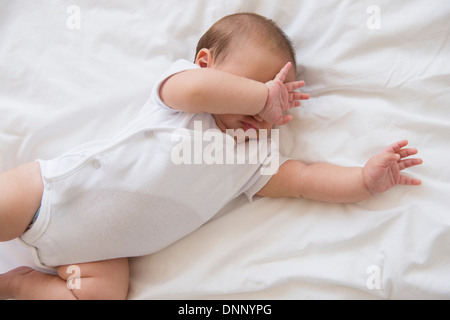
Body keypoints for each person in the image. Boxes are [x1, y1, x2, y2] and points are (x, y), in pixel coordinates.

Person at [0, 13, 422, 300]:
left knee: (103, 295)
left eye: (277, 101)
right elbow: (200, 90)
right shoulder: (182, 97)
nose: (266, 108)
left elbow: (304, 178)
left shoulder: (251, 160)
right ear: (205, 63)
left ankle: (18, 286)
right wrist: (263, 95)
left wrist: (363, 181)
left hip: (97, 255)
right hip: (49, 193)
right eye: (256, 87)